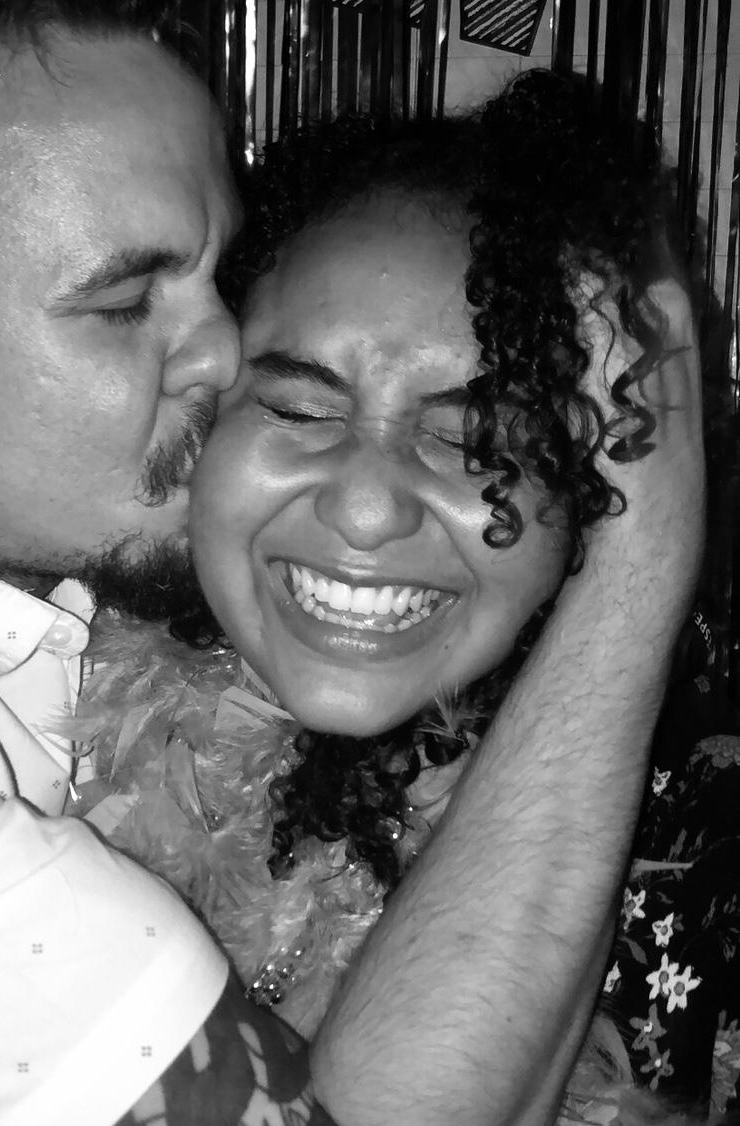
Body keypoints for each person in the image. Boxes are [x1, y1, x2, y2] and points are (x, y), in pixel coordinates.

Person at [0, 0, 700, 1120]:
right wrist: (645, 553)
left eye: (220, 276)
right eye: (126, 302)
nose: (226, 356)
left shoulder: (55, 565)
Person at [69, 71, 711, 1123]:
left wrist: (641, 571)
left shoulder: (701, 852)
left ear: (594, 494)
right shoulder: (15, 689)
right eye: (297, 408)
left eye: (474, 440)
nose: (366, 510)